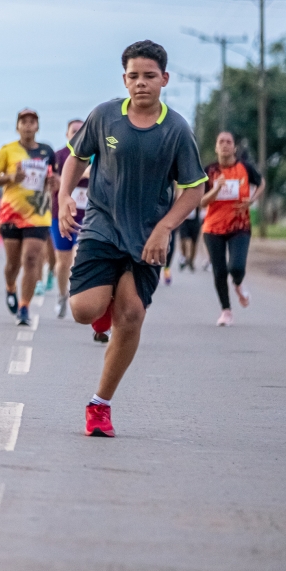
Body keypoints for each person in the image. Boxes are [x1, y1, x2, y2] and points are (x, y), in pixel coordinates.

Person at [58, 40, 206, 438]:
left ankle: (100, 405)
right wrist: (64, 196)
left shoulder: (176, 130)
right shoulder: (105, 116)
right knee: (84, 311)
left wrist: (164, 228)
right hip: (102, 226)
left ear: (164, 79)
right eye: (134, 76)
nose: (141, 83)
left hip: (148, 237)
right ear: (124, 80)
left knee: (132, 315)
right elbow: (77, 157)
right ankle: (102, 302)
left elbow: (194, 188)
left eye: (149, 76)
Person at [0, 108, 58, 326]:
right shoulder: (7, 150)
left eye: (32, 122)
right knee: (13, 263)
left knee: (31, 259)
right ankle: (10, 287)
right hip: (11, 213)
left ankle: (24, 306)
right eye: (24, 122)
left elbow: (55, 178)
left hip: (38, 214)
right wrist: (11, 177)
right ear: (17, 126)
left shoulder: (47, 151)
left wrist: (54, 182)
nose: (28, 125)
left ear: (37, 126)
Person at [200, 132, 262, 326]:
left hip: (239, 226)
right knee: (219, 271)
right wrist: (216, 189)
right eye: (221, 142)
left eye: (229, 142)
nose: (225, 145)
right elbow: (201, 202)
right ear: (216, 147)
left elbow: (261, 183)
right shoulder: (209, 171)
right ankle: (226, 311)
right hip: (213, 228)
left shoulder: (245, 167)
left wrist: (252, 200)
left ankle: (238, 282)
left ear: (234, 148)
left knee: (236, 267)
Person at [51, 119, 88, 319]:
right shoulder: (59, 156)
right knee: (62, 262)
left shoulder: (94, 154)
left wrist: (71, 178)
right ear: (67, 135)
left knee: (77, 257)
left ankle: (77, 297)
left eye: (81, 131)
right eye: (73, 131)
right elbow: (54, 182)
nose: (77, 134)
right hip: (62, 215)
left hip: (87, 216)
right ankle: (61, 295)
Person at [177, 203, 202, 271]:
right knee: (185, 240)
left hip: (195, 221)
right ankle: (186, 257)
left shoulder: (197, 195)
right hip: (184, 220)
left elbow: (202, 205)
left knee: (194, 242)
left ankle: (191, 260)